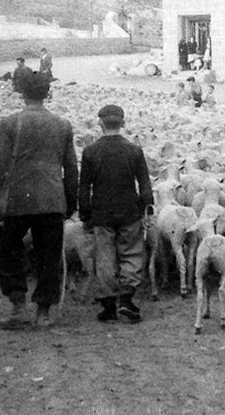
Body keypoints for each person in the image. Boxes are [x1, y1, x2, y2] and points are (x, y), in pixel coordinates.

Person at [0, 72, 78, 330]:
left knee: (7, 248)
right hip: (52, 198)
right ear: (47, 93)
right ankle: (43, 312)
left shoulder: (11, 123)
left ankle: (18, 306)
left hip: (18, 198)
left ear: (22, 93)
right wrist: (71, 202)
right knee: (49, 254)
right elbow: (71, 168)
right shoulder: (62, 125)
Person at [78, 104, 153, 323]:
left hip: (102, 213)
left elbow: (84, 187)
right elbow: (145, 183)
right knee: (131, 253)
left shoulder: (90, 151)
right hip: (129, 210)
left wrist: (85, 213)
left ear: (100, 123)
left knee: (104, 257)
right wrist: (146, 207)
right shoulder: (134, 150)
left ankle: (109, 306)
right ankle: (127, 300)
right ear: (123, 123)